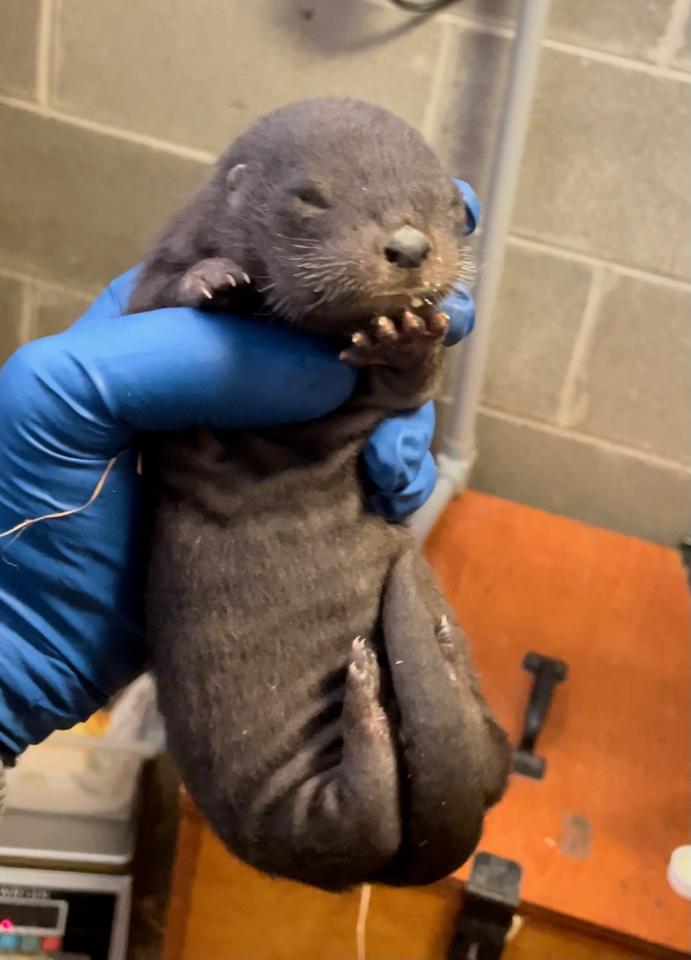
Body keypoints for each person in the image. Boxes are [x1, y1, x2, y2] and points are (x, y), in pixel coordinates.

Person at [0, 183, 479, 768]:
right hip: (200, 542)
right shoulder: (220, 252)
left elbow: (394, 396)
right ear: (242, 188)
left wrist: (408, 363)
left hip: (297, 546)